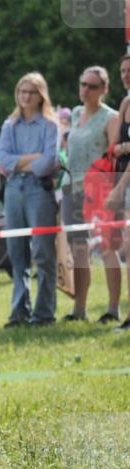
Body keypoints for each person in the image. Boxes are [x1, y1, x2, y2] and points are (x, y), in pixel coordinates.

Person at [0, 72, 60, 327]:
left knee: (43, 252)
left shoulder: (50, 125)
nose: (25, 97)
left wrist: (21, 161)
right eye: (22, 92)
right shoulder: (9, 125)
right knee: (17, 253)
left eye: (31, 92)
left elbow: (48, 163)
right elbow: (4, 160)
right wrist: (32, 157)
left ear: (40, 95)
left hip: (39, 190)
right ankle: (19, 312)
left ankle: (44, 313)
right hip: (13, 189)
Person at [63, 66, 119, 322]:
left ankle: (112, 309)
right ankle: (80, 309)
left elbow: (114, 156)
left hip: (99, 189)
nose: (85, 90)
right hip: (71, 186)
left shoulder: (111, 118)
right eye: (83, 84)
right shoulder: (75, 114)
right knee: (78, 249)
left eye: (92, 86)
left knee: (108, 248)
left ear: (104, 89)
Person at [105, 54, 130, 333]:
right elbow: (113, 148)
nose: (126, 74)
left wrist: (121, 188)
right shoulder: (125, 104)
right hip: (121, 181)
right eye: (122, 70)